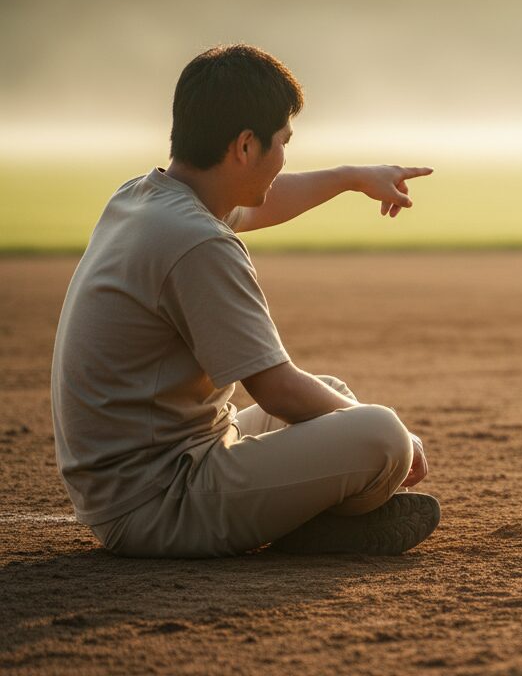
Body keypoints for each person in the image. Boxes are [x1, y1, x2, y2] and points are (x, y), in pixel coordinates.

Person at [50, 44, 440, 558]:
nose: (283, 159)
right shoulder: (198, 242)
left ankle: (310, 517)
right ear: (245, 146)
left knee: (332, 395)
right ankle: (315, 529)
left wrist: (350, 178)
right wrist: (403, 441)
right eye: (282, 143)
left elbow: (261, 203)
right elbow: (276, 389)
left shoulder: (148, 199)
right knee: (380, 434)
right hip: (158, 501)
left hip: (141, 476)